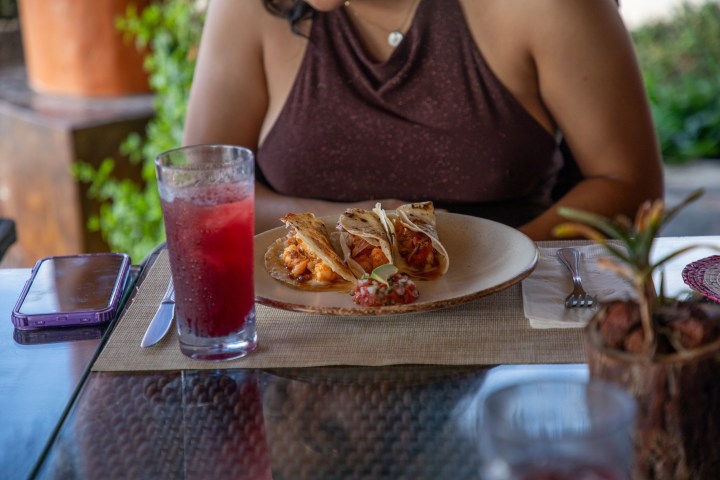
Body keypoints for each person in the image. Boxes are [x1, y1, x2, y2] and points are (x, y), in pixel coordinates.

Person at [183, 0, 663, 239]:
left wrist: (490, 260)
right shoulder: (248, 10)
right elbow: (200, 194)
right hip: (301, 324)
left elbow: (629, 183)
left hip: (511, 319)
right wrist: (353, 229)